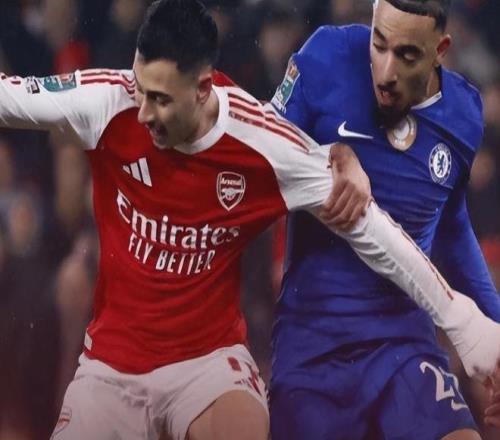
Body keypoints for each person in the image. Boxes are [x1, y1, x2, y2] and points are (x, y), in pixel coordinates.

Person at [0, 0, 498, 439]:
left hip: (208, 364)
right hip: (112, 364)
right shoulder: (106, 100)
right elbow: (10, 97)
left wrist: (465, 321)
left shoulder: (261, 144)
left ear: (202, 88)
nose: (143, 111)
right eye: (140, 88)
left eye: (161, 99)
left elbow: (375, 231)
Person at [270, 0, 500, 439]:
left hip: (404, 344)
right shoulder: (326, 56)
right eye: (379, 44)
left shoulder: (464, 114)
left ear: (440, 50)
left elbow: (451, 227)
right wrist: (331, 154)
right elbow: (263, 156)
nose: (386, 72)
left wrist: (495, 328)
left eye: (407, 55)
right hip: (313, 342)